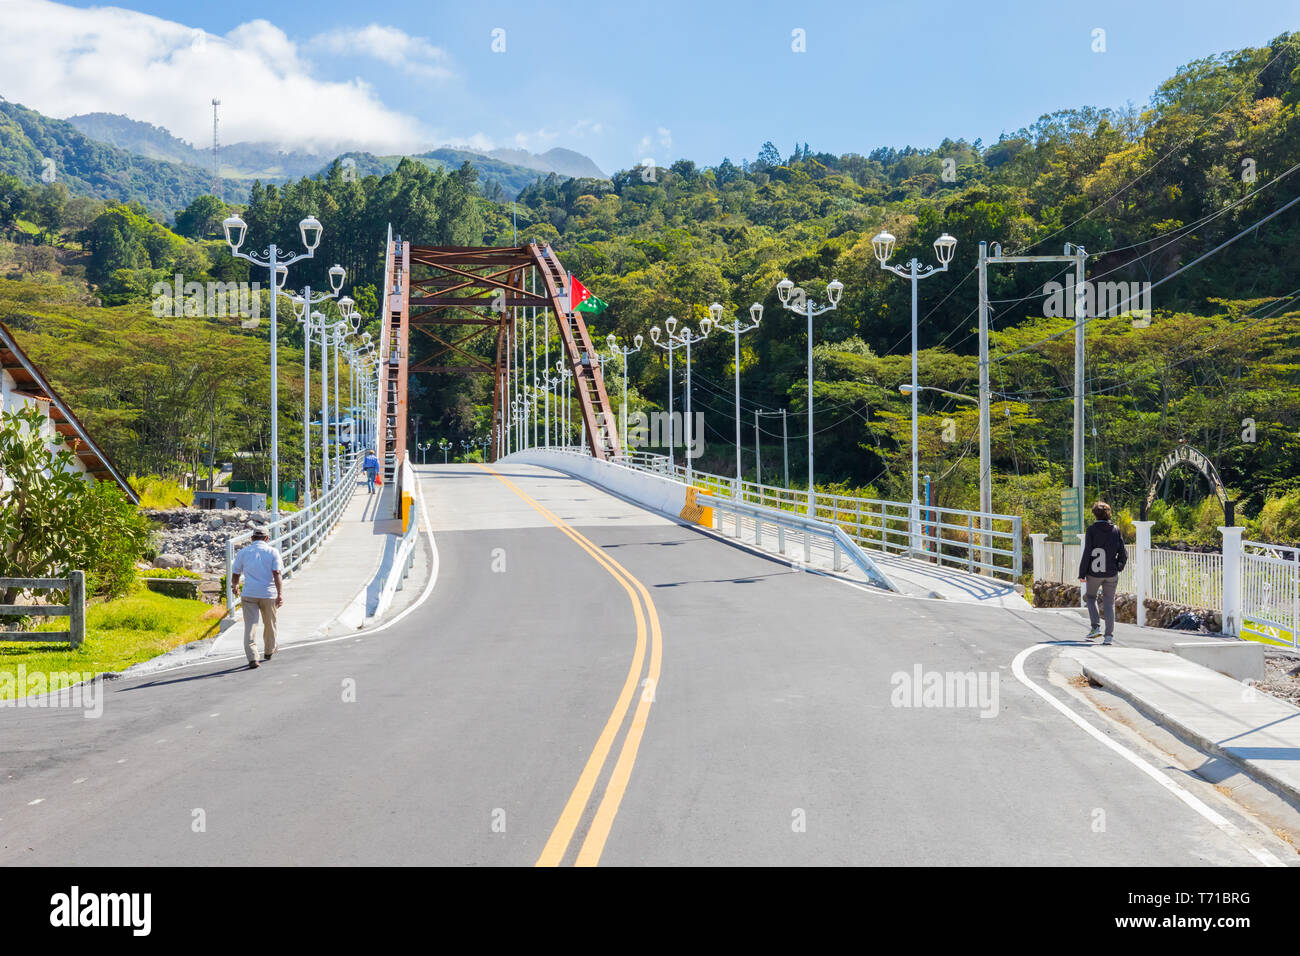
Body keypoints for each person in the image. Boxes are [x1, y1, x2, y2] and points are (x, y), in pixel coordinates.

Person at [231, 528, 284, 669]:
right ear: (267, 538)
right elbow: (277, 573)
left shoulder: (243, 553)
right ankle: (269, 650)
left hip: (249, 593)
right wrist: (280, 594)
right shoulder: (273, 552)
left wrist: (235, 586)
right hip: (268, 593)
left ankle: (253, 658)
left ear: (252, 538)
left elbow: (236, 572)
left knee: (250, 626)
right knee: (270, 624)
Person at [1077, 500, 1127, 644]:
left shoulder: (1091, 530)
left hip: (1094, 572)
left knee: (1091, 598)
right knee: (1109, 603)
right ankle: (1109, 637)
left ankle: (1095, 628)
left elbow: (1087, 552)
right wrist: (1119, 566)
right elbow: (1123, 552)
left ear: (1095, 514)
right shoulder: (1116, 530)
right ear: (1108, 514)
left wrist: (1082, 573)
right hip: (1111, 573)